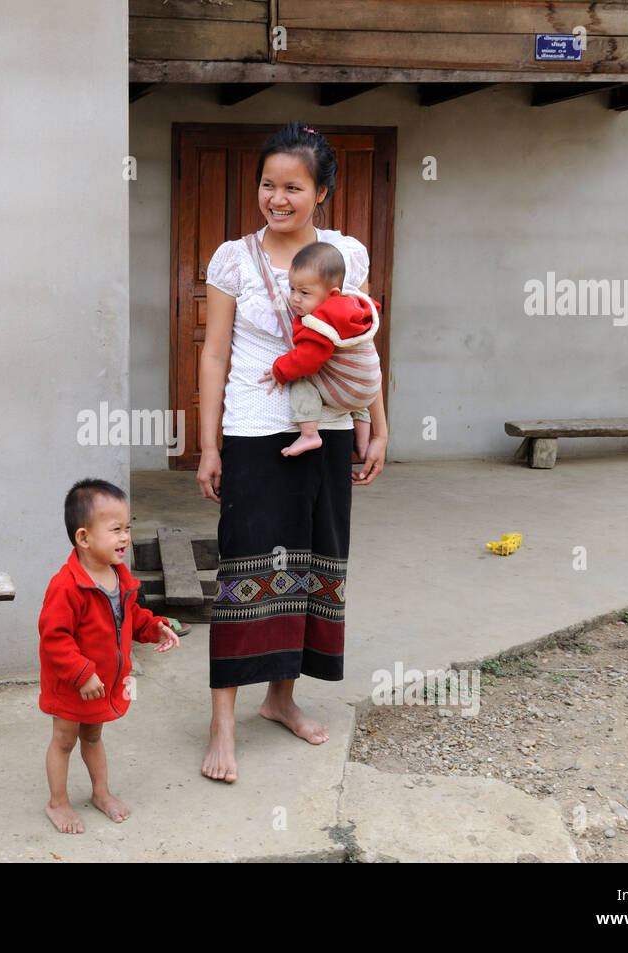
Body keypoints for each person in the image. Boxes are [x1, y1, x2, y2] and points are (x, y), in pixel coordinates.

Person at [197, 121, 387, 783]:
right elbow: (215, 352)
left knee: (311, 564)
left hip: (328, 428)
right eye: (268, 184)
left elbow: (358, 343)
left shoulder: (344, 256)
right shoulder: (232, 258)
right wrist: (208, 442)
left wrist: (375, 424)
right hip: (254, 428)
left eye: (293, 187)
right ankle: (223, 721)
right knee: (244, 568)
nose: (277, 198)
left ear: (322, 192)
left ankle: (281, 698)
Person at [37, 478, 180, 833]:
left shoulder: (120, 576)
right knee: (64, 740)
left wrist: (155, 627)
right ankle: (58, 802)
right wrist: (82, 674)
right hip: (73, 684)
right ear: (83, 538)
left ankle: (101, 793)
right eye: (116, 529)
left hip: (101, 685)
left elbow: (130, 618)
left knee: (94, 737)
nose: (125, 537)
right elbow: (53, 638)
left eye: (127, 528)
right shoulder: (66, 585)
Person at [256, 241, 382, 458]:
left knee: (302, 381)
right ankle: (362, 444)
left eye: (304, 293)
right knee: (358, 404)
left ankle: (309, 434)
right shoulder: (355, 305)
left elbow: (307, 360)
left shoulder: (320, 323)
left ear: (332, 294)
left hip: (346, 391)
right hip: (369, 389)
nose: (295, 298)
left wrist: (280, 370)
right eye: (292, 288)